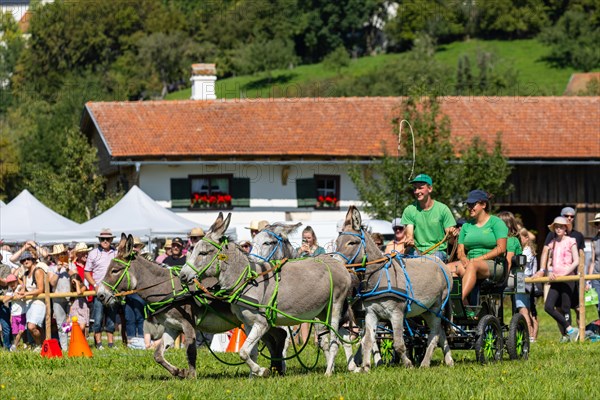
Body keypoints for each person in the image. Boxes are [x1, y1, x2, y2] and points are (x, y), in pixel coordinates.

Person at [447, 190, 507, 318]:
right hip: (470, 263)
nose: (469, 208)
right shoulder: (466, 226)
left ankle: (455, 300)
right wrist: (463, 258)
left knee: (473, 265)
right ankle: (465, 307)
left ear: (483, 204)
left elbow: (501, 249)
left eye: (472, 204)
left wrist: (478, 259)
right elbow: (460, 250)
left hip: (494, 265)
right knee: (447, 268)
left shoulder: (496, 223)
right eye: (468, 205)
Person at [535, 216, 580, 342]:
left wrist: (566, 272)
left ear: (566, 228)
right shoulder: (552, 243)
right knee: (548, 306)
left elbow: (576, 260)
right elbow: (550, 261)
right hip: (555, 278)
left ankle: (567, 335)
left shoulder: (571, 241)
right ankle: (570, 329)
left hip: (568, 278)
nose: (558, 229)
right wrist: (549, 272)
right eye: (556, 227)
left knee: (566, 307)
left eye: (561, 226)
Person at [402, 174, 457, 262]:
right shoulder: (409, 210)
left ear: (430, 189)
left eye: (420, 188)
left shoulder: (443, 209)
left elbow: (450, 239)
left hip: (438, 252)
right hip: (416, 252)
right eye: (415, 188)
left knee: (427, 263)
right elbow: (409, 235)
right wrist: (409, 240)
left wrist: (451, 234)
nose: (416, 191)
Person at [84, 228, 118, 349]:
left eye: (107, 239)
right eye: (102, 239)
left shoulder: (116, 253)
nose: (105, 241)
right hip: (99, 291)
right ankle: (98, 344)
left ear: (111, 240)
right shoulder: (93, 253)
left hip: (112, 290)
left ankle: (110, 343)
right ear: (99, 240)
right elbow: (87, 272)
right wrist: (95, 285)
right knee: (97, 318)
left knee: (111, 318)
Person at [18, 251, 47, 350]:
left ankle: (39, 345)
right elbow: (24, 288)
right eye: (23, 260)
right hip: (29, 303)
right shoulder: (25, 274)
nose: (26, 261)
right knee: (35, 328)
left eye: (28, 259)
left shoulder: (38, 271)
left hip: (39, 302)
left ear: (33, 260)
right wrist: (20, 292)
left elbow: (40, 289)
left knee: (31, 326)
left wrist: (26, 293)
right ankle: (43, 346)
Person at [47, 244, 74, 350]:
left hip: (71, 298)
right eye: (58, 255)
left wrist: (68, 270)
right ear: (54, 257)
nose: (60, 257)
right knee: (61, 324)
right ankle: (65, 348)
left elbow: (77, 278)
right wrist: (58, 271)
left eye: (62, 254)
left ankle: (73, 345)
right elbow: (52, 283)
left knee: (71, 322)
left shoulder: (71, 265)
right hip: (58, 299)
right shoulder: (51, 268)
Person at [125, 237, 147, 349]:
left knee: (140, 317)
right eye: (132, 246)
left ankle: (141, 341)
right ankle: (131, 342)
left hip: (140, 292)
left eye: (136, 246)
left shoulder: (143, 260)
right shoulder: (126, 261)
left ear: (139, 248)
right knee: (129, 318)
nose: (134, 249)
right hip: (128, 292)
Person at [519, 228, 539, 341]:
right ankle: (531, 335)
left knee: (524, 309)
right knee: (529, 309)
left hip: (524, 279)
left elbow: (522, 265)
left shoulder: (527, 251)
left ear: (526, 238)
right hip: (527, 281)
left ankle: (531, 334)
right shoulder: (529, 250)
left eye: (520, 238)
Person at [1, 274, 26, 351]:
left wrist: (19, 279)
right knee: (15, 333)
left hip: (22, 313)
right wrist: (12, 296)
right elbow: (4, 300)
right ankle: (17, 347)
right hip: (14, 315)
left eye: (13, 282)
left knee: (21, 331)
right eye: (9, 283)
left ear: (16, 282)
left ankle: (15, 345)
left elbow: (23, 286)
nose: (12, 284)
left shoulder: (18, 287)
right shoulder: (9, 292)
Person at [586, 213, 600, 319]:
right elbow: (593, 261)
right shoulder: (594, 240)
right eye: (598, 224)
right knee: (598, 304)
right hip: (595, 276)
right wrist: (588, 280)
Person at [0, 256, 12, 349]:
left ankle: (7, 347)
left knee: (6, 327)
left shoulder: (6, 268)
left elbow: (5, 283)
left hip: (3, 301)